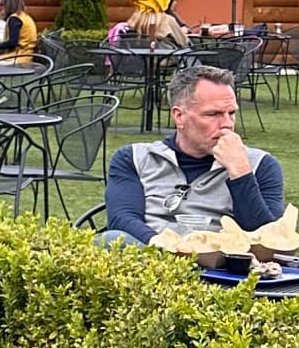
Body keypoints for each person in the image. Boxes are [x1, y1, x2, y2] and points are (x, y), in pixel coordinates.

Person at [103, 57, 284, 244]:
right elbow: (122, 219)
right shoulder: (134, 158)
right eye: (213, 114)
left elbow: (268, 240)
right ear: (179, 116)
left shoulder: (261, 164)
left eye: (231, 113)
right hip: (150, 259)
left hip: (222, 265)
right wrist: (170, 250)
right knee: (111, 239)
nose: (227, 125)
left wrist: (240, 173)